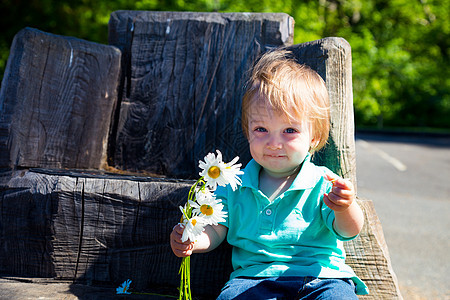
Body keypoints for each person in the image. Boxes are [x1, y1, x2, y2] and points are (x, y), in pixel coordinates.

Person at [170, 48, 369, 299]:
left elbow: (349, 231)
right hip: (254, 279)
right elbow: (217, 228)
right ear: (248, 131)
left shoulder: (322, 180)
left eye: (289, 131)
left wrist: (344, 207)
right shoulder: (234, 183)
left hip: (322, 279)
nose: (274, 143)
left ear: (314, 137)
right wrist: (193, 240)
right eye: (262, 129)